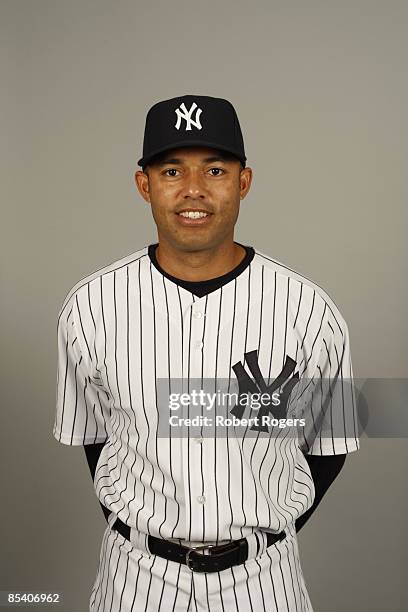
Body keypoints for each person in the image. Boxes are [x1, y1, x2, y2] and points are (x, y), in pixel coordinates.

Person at [53, 94, 360, 611]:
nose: (193, 190)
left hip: (264, 583)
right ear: (144, 185)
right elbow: (94, 438)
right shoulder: (89, 307)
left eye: (214, 169)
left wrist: (261, 534)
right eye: (172, 170)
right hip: (135, 580)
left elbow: (330, 446)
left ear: (243, 182)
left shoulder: (309, 309)